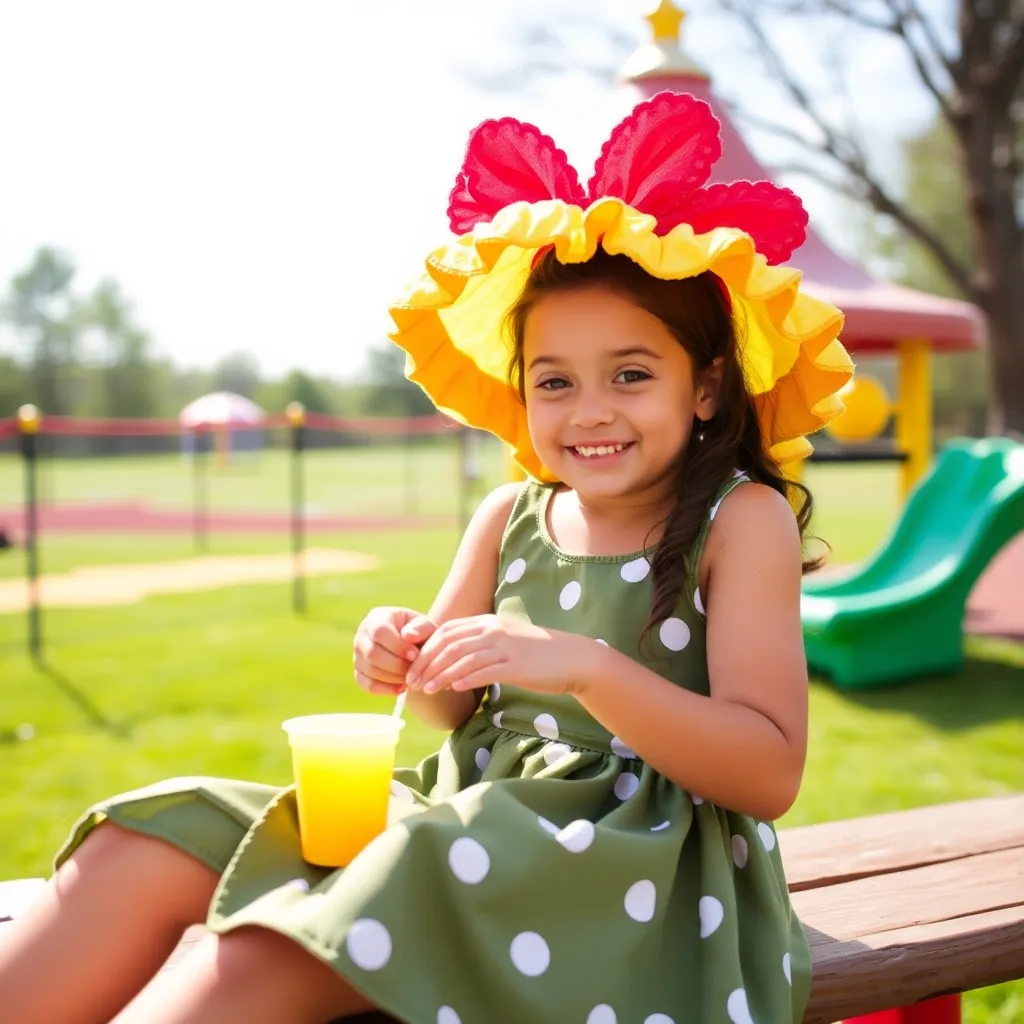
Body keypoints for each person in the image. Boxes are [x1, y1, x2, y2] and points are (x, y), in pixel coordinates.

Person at [0, 92, 853, 1024]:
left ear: (708, 386)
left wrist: (584, 667)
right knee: (143, 840)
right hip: (466, 817)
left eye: (631, 374)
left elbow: (767, 775)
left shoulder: (739, 519)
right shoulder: (510, 514)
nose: (590, 409)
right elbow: (445, 705)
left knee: (278, 942)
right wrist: (404, 648)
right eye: (554, 381)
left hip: (628, 868)